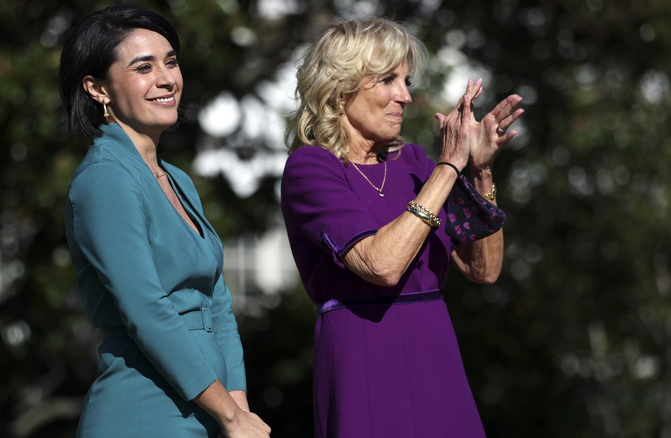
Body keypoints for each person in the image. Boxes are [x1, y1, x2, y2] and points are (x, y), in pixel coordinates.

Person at [280, 17, 524, 438]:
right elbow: (382, 265)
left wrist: (480, 172)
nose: (406, 96)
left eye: (406, 81)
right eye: (389, 80)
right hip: (365, 353)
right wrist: (450, 166)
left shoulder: (413, 164)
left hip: (434, 348)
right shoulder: (311, 167)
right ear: (341, 87)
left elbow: (482, 269)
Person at [58, 5, 271, 438]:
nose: (167, 78)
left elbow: (218, 302)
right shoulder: (104, 178)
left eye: (171, 62)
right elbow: (145, 310)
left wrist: (238, 408)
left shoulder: (179, 180)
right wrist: (230, 416)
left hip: (210, 415)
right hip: (145, 414)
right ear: (97, 88)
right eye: (144, 67)